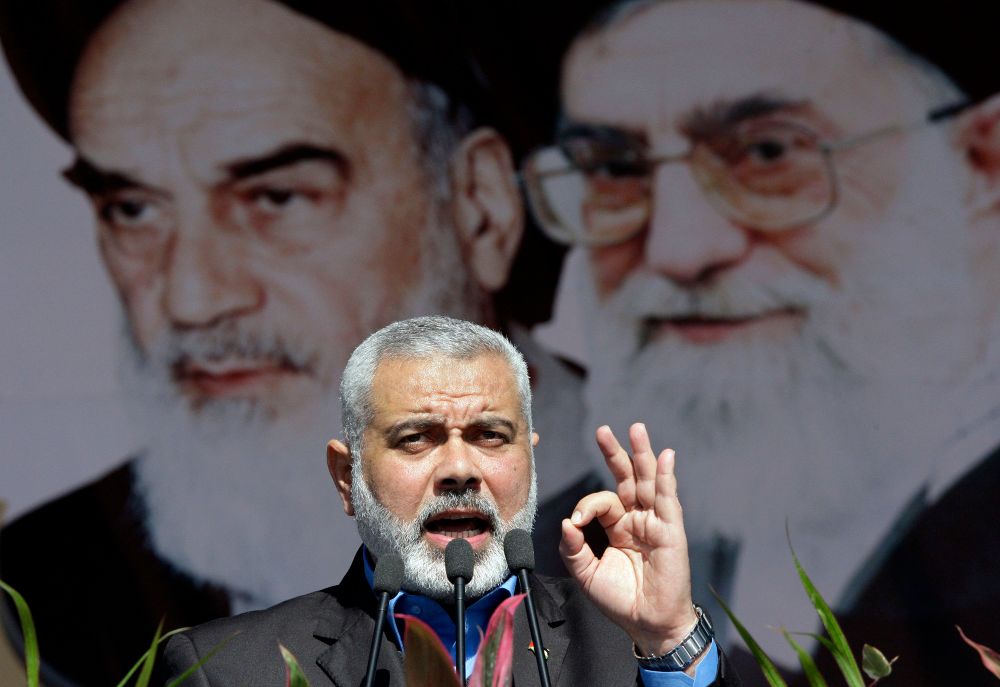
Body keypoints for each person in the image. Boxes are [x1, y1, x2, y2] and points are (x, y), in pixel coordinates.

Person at [0, 1, 592, 684]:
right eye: (133, 209)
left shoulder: (658, 556)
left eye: (277, 198)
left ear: (480, 206)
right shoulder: (50, 582)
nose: (191, 298)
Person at [521, 0, 1000, 683]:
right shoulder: (545, 566)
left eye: (768, 152)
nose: (679, 249)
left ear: (982, 163)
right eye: (615, 168)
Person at [159, 315, 739, 686]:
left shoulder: (625, 647)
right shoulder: (227, 670)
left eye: (490, 436)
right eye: (416, 438)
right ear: (346, 476)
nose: (460, 470)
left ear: (531, 461)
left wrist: (667, 638)